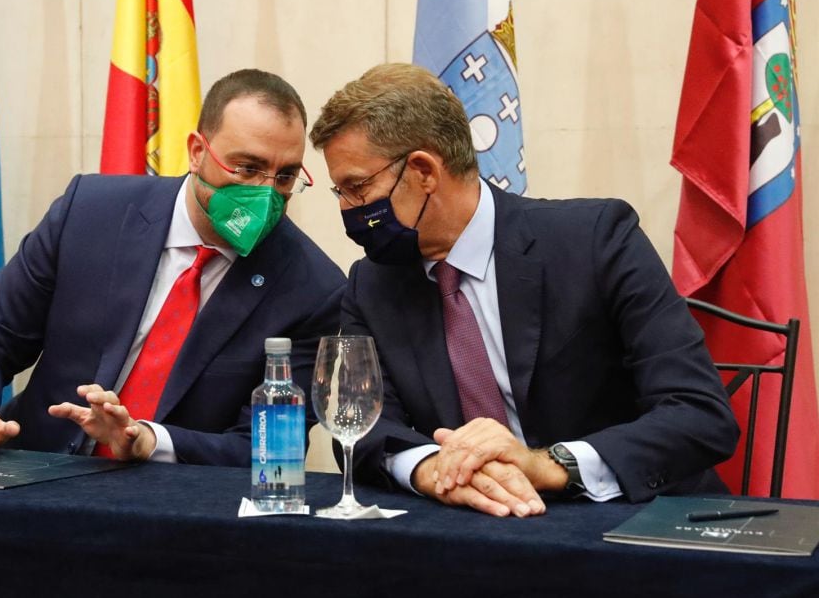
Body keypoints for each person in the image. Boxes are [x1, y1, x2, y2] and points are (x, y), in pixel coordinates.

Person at [309, 63, 739, 517]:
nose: (346, 208)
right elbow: (363, 428)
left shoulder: (595, 240)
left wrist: (546, 465)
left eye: (356, 188)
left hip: (634, 522)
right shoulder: (373, 284)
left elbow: (698, 413)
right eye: (340, 191)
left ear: (424, 171)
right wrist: (432, 468)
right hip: (476, 527)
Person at [0, 69, 346, 466]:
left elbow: (269, 451)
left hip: (170, 511)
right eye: (248, 168)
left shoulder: (312, 289)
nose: (266, 192)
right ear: (197, 152)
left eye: (285, 176)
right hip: (32, 469)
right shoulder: (90, 212)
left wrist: (148, 440)